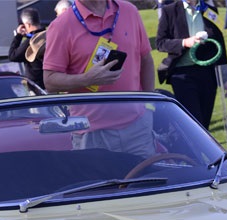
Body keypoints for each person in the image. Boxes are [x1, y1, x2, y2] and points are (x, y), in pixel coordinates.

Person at [43, 0, 157, 155]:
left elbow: (146, 59)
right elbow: (49, 80)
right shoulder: (61, 25)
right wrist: (86, 79)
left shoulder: (129, 11)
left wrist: (149, 104)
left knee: (147, 178)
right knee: (102, 180)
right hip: (92, 133)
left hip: (137, 127)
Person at [156, 0, 227, 129]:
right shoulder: (169, 11)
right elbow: (160, 43)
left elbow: (219, 44)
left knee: (204, 122)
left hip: (208, 74)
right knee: (194, 122)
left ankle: (204, 149)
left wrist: (225, 78)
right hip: (182, 75)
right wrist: (184, 42)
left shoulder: (209, 9)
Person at [9, 8, 46, 89]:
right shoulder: (48, 36)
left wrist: (18, 36)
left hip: (37, 87)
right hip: (52, 84)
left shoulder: (30, 42)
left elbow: (12, 56)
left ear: (28, 25)